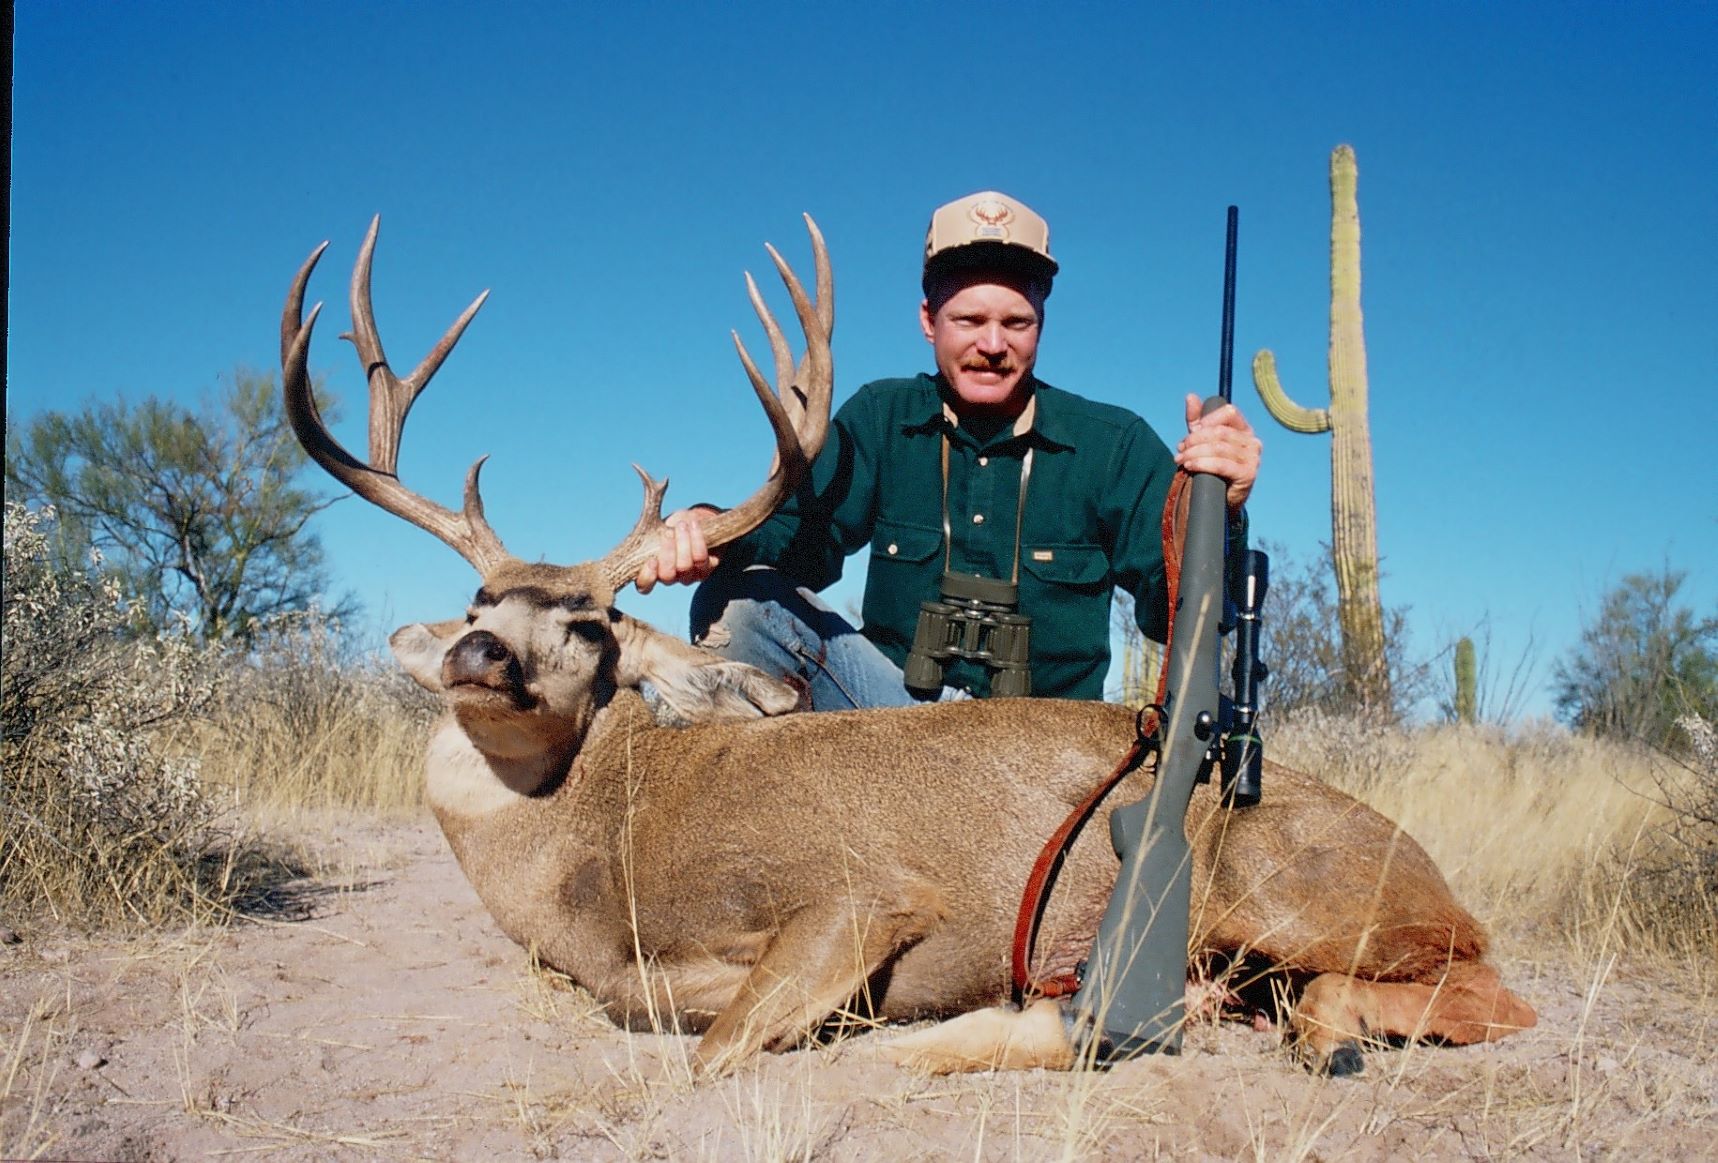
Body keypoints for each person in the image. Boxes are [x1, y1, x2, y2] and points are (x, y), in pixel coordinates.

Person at [635, 191, 1261, 709]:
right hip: (895, 725)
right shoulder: (884, 417)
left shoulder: (1110, 444)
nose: (993, 344)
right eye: (968, 321)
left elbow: (1179, 614)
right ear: (929, 321)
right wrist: (709, 533)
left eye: (1016, 323)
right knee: (738, 603)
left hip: (1046, 751)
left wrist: (1220, 513)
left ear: (1042, 322)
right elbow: (799, 543)